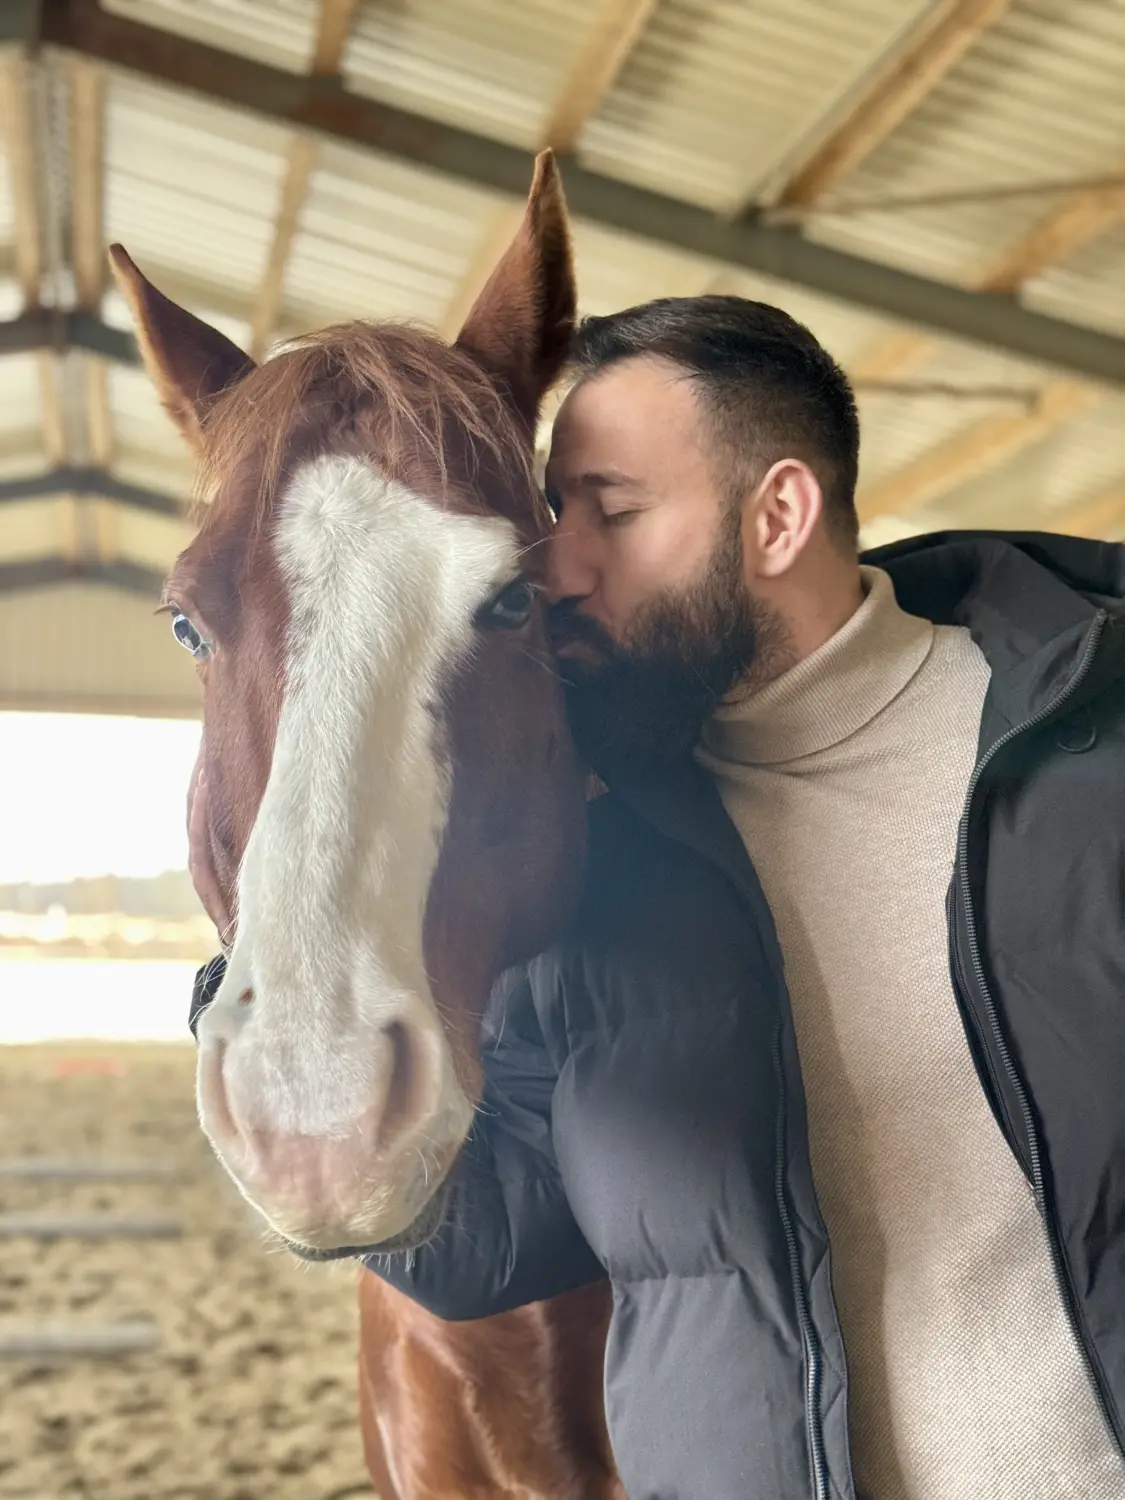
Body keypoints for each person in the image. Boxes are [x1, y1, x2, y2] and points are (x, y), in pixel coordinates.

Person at [190, 296, 1125, 1500]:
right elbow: (491, 1241)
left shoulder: (1087, 754)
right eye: (552, 511)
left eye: (612, 513)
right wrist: (278, 982)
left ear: (778, 516)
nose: (558, 564)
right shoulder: (601, 852)